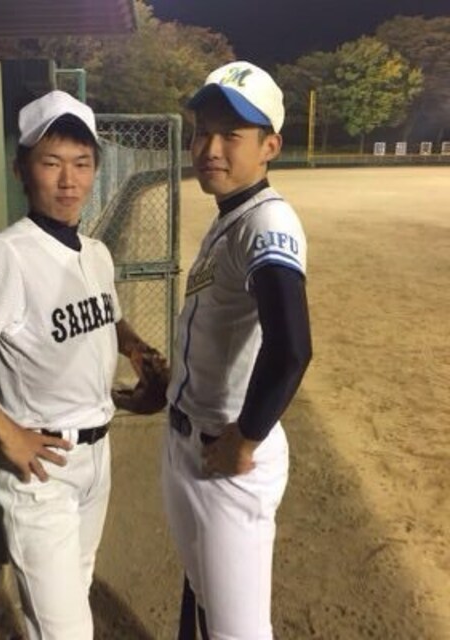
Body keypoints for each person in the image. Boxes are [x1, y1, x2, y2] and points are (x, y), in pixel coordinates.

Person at [0, 90, 161, 640]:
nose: (69, 180)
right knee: (67, 631)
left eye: (82, 163)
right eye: (51, 163)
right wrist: (8, 433)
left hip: (97, 458)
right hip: (42, 471)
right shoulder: (5, 255)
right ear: (21, 170)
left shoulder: (95, 253)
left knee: (64, 606)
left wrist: (135, 350)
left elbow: (107, 316)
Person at [162, 61, 312, 639]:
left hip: (225, 459)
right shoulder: (234, 213)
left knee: (238, 632)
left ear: (270, 146)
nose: (210, 148)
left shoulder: (267, 221)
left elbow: (292, 347)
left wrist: (246, 437)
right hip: (192, 444)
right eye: (203, 132)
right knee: (204, 600)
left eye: (232, 135)